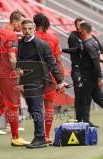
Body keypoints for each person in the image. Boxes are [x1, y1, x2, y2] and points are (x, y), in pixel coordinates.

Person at [0, 11, 30, 147]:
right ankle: (15, 137)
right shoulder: (11, 35)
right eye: (21, 23)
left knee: (4, 105)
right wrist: (17, 71)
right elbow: (11, 56)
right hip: (7, 74)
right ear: (15, 21)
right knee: (14, 106)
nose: (22, 27)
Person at [17, 20, 64, 148]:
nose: (26, 31)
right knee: (33, 109)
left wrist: (59, 81)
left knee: (36, 108)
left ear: (34, 29)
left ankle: (40, 138)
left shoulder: (42, 44)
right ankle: (40, 137)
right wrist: (20, 81)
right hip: (26, 81)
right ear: (22, 29)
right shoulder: (20, 43)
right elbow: (19, 62)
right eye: (24, 28)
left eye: (29, 29)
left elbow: (52, 63)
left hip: (39, 80)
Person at [62, 18, 103, 127]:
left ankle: (86, 121)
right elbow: (76, 50)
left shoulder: (91, 37)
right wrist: (62, 50)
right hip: (78, 70)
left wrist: (99, 63)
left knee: (89, 96)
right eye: (80, 25)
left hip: (89, 71)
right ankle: (79, 120)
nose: (82, 26)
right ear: (76, 27)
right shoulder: (73, 37)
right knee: (80, 94)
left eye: (83, 24)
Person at [33, 13, 65, 144]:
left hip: (33, 76)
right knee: (49, 106)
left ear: (35, 23)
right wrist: (61, 81)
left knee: (36, 107)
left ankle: (38, 136)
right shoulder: (53, 38)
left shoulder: (30, 37)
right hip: (50, 76)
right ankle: (46, 136)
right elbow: (58, 61)